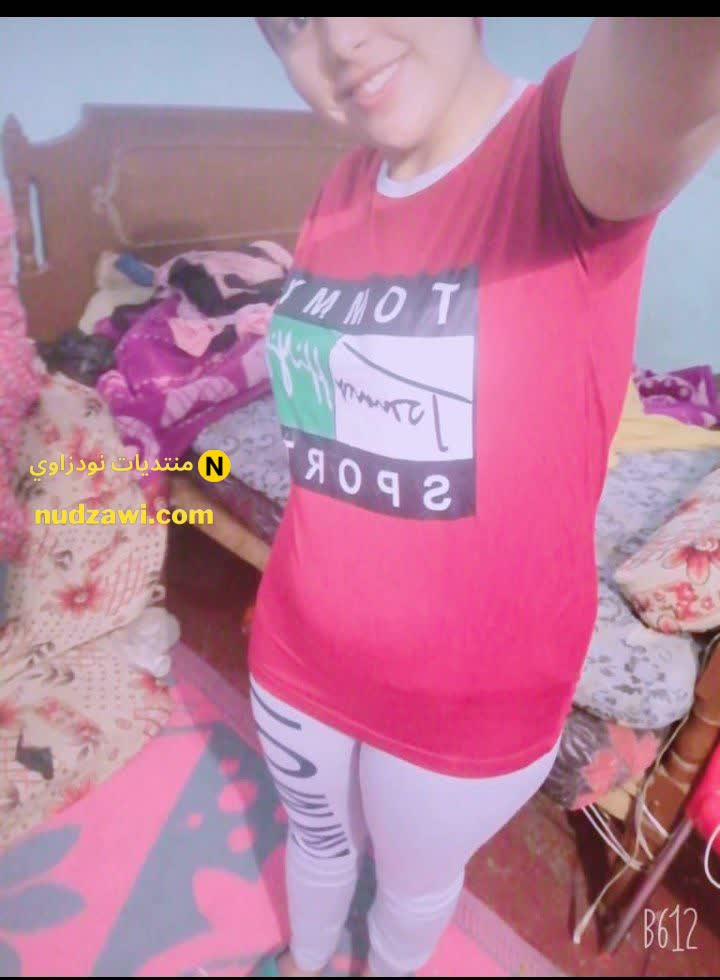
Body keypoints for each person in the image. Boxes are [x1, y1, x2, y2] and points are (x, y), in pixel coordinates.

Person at [247, 17, 720, 977]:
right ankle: (302, 962)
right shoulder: (339, 190)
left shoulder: (562, 152)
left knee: (412, 886)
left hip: (467, 700)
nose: (339, 38)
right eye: (292, 22)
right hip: (296, 648)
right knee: (316, 840)